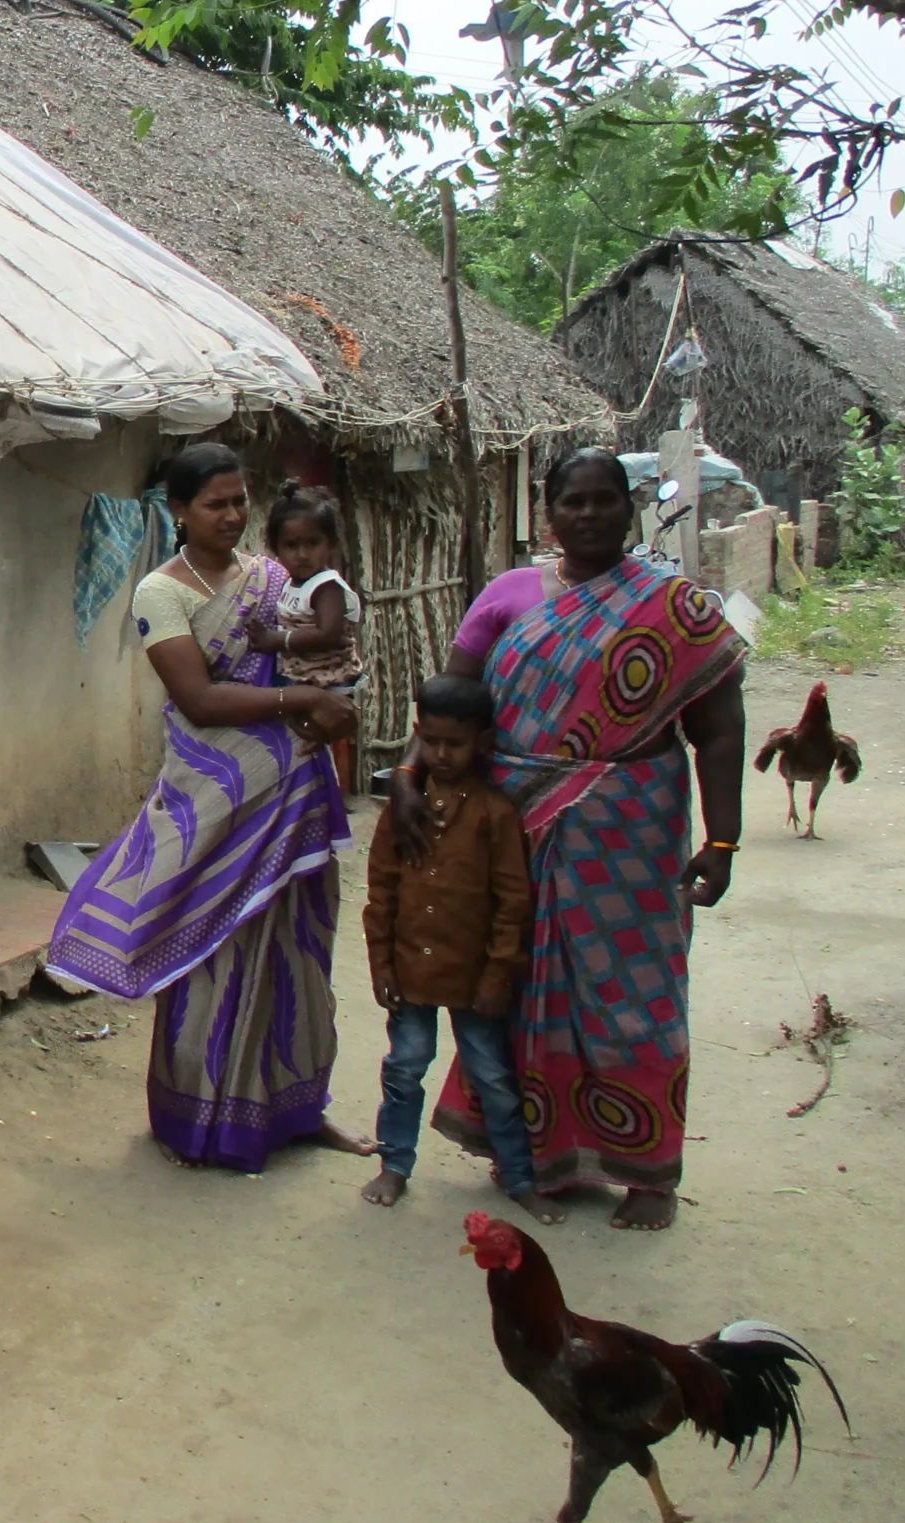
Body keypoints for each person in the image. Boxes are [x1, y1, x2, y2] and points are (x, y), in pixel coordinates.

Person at [394, 447, 746, 1231]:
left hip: (631, 832)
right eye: (571, 502)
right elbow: (449, 709)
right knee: (512, 984)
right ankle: (532, 1152)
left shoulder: (676, 609)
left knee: (634, 996)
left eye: (603, 500)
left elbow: (719, 733)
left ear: (630, 508)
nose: (587, 515)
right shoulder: (510, 595)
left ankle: (649, 1171)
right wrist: (411, 779)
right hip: (513, 828)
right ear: (546, 513)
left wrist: (723, 842)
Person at [48, 442, 372, 1171]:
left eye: (239, 501)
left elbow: (322, 647)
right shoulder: (162, 592)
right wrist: (302, 701)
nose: (232, 515)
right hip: (213, 802)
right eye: (215, 504)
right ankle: (202, 1121)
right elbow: (197, 697)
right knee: (211, 952)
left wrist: (328, 701)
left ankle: (297, 1110)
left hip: (291, 796)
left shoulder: (270, 576)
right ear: (178, 511)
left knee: (295, 955)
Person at [359, 674, 558, 1224]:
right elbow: (382, 892)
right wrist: (381, 963)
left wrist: (498, 974)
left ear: (484, 744)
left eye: (457, 743)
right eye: (433, 741)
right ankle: (394, 1163)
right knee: (403, 1068)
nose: (443, 754)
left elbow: (513, 901)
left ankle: (519, 1176)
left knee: (494, 1077)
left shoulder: (495, 814)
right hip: (410, 969)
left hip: (474, 977)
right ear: (418, 734)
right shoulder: (402, 809)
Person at [249, 481, 363, 697]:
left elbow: (328, 634)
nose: (302, 554)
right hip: (303, 683)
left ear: (330, 543)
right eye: (291, 545)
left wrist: (277, 640)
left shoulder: (326, 588)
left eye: (312, 543)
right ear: (276, 548)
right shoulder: (289, 584)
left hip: (331, 687)